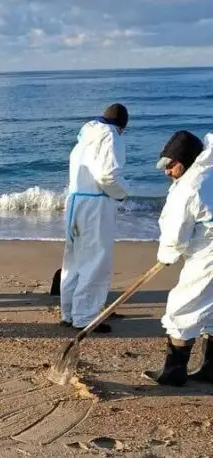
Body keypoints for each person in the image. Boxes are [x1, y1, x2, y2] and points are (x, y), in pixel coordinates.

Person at [143, 130, 213, 387]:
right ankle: (210, 370)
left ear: (185, 161)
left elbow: (175, 234)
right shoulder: (209, 172)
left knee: (182, 308)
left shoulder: (190, 187)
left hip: (209, 257)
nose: (167, 171)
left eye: (171, 165)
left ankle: (173, 373)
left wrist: (168, 255)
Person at [59, 103, 130, 333]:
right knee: (95, 261)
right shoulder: (110, 136)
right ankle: (85, 317)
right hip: (95, 204)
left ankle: (68, 312)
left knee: (73, 261)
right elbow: (108, 176)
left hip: (74, 201)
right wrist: (123, 192)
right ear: (122, 126)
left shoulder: (86, 137)